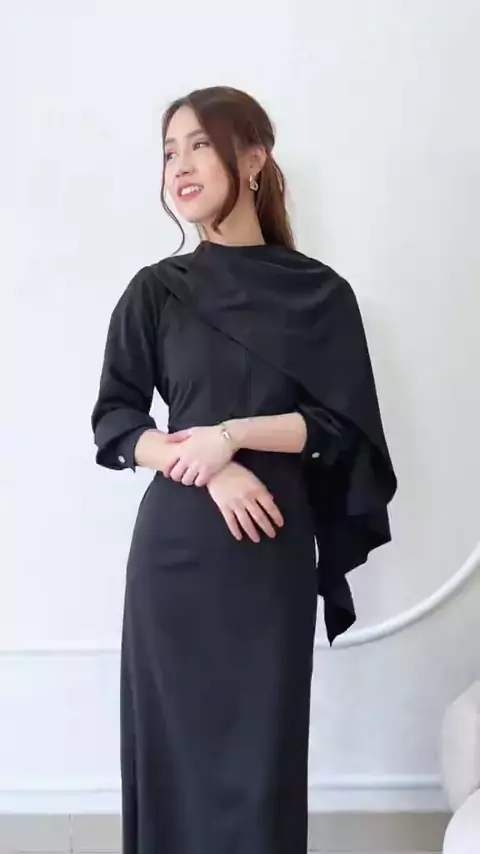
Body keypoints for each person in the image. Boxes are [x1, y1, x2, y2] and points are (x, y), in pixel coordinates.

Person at [91, 85, 397, 854]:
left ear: (253, 158)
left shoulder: (322, 295)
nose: (180, 166)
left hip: (268, 558)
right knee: (172, 760)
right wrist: (206, 464)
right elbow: (117, 422)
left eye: (199, 144)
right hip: (174, 558)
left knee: (263, 764)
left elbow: (343, 428)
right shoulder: (157, 291)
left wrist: (233, 436)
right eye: (169, 151)